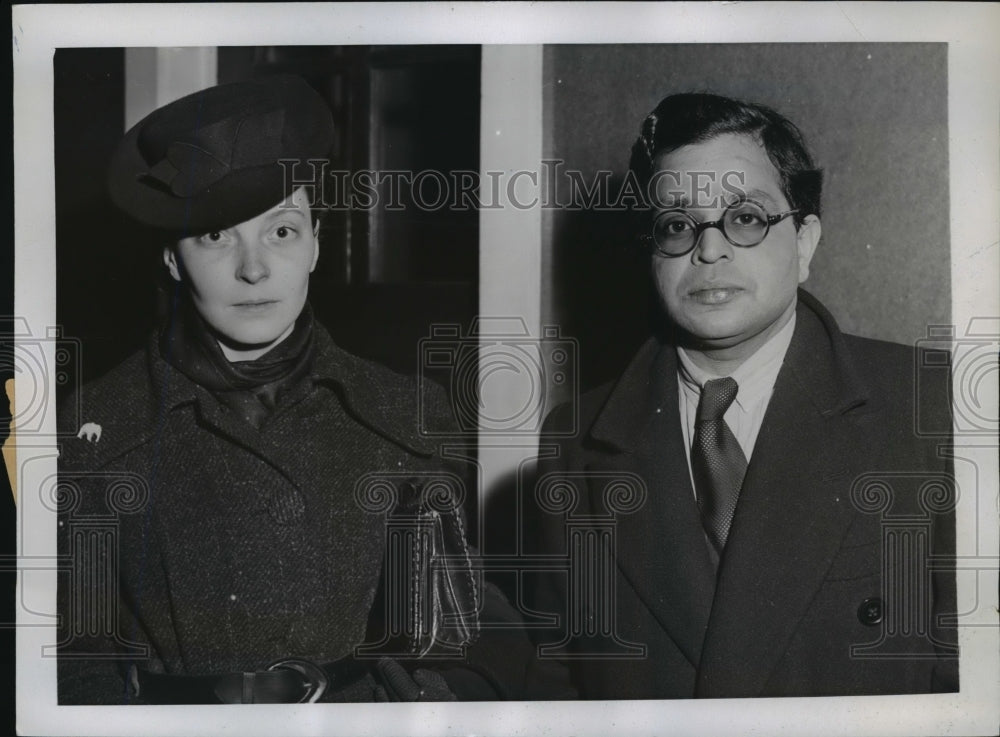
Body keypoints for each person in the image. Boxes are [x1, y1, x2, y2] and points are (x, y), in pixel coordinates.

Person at [56, 74, 532, 704]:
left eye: (281, 231)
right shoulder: (90, 429)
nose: (253, 269)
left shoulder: (409, 414)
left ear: (314, 245)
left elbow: (458, 624)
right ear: (172, 260)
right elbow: (68, 660)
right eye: (216, 235)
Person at [528, 92, 958, 698]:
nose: (709, 248)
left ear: (805, 241)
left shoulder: (930, 407)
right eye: (677, 223)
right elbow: (558, 685)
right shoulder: (575, 441)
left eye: (746, 217)